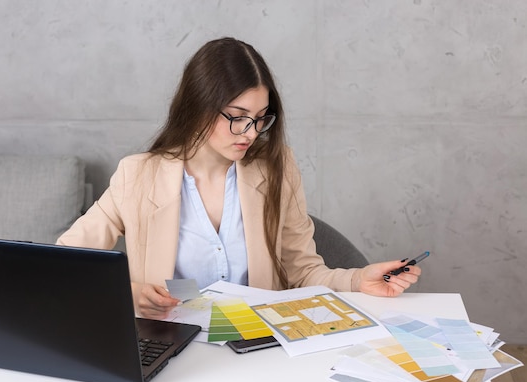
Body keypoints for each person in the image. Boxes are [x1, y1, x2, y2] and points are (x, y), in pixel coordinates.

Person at [57, 37, 420, 319]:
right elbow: (64, 264)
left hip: (259, 346)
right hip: (171, 342)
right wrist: (130, 293)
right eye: (237, 116)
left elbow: (304, 272)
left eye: (261, 117)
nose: (250, 132)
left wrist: (359, 279)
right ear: (198, 107)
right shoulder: (138, 175)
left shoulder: (276, 168)